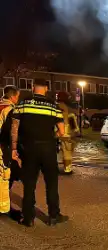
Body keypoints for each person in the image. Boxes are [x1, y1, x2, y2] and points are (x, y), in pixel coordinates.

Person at [11, 78, 69, 227]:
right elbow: (62, 132)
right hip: (48, 148)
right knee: (51, 183)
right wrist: (50, 137)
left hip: (28, 148)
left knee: (29, 184)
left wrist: (13, 148)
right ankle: (53, 216)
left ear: (32, 87)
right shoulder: (53, 106)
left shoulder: (23, 103)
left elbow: (14, 128)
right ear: (47, 88)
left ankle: (28, 217)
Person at [0, 86, 20, 217]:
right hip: (2, 147)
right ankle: (4, 209)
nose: (18, 99)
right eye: (18, 96)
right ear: (13, 96)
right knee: (3, 177)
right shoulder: (10, 110)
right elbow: (11, 132)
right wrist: (13, 150)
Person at [56, 92, 80, 175]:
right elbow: (72, 121)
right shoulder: (68, 108)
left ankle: (54, 168)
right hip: (66, 134)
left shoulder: (54, 106)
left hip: (54, 133)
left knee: (53, 152)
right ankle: (67, 169)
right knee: (67, 152)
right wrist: (76, 132)